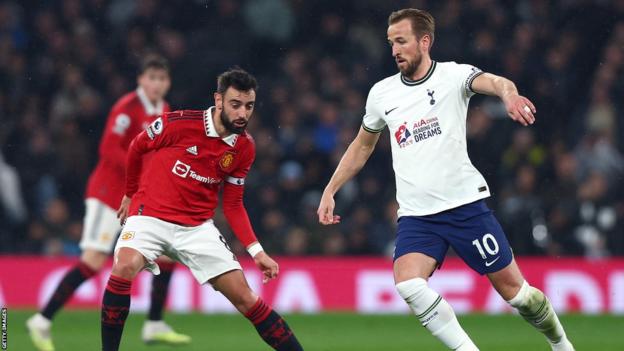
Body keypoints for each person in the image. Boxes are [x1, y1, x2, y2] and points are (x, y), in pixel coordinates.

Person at [317, 8, 574, 351]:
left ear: (425, 42)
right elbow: (362, 146)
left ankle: (560, 343)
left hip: (464, 207)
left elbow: (496, 82)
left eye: (402, 41)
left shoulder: (453, 77)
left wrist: (509, 95)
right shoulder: (382, 94)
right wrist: (331, 189)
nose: (394, 49)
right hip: (417, 216)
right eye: (391, 42)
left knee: (519, 296)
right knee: (408, 283)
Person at [102, 68, 304, 351]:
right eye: (235, 105)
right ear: (218, 100)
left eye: (249, 106)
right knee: (123, 267)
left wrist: (257, 252)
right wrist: (129, 192)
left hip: (197, 228)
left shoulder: (244, 147)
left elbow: (233, 204)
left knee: (247, 299)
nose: (242, 114)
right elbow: (137, 147)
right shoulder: (178, 124)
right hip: (150, 216)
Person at [27, 55, 190, 351]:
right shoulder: (127, 108)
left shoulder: (164, 110)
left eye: (162, 79)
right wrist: (139, 169)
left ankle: (154, 323)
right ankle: (41, 320)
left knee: (168, 254)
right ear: (140, 80)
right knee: (92, 261)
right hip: (107, 194)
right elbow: (108, 148)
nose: (156, 84)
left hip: (138, 194)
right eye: (151, 78)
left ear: (168, 83)